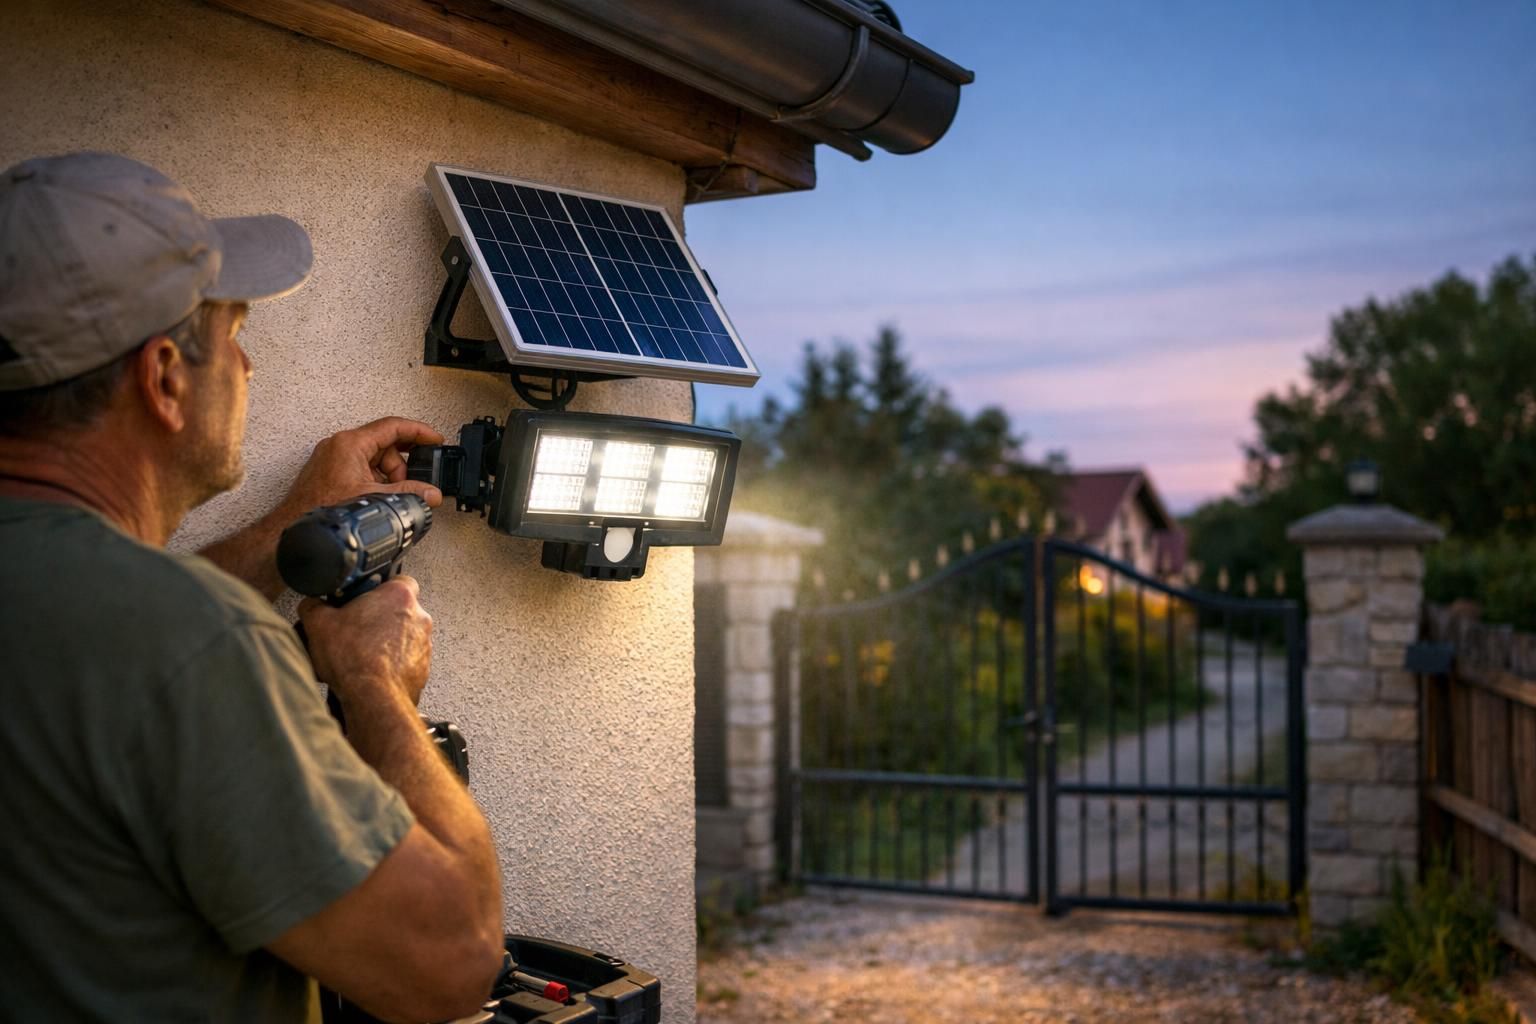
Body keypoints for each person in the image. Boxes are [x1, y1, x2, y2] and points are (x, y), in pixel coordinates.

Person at [0, 152, 504, 1022]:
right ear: (163, 379)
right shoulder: (196, 640)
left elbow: (111, 648)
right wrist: (376, 683)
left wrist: (288, 532)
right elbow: (451, 960)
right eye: (232, 334)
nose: (248, 368)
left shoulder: (90, 612)